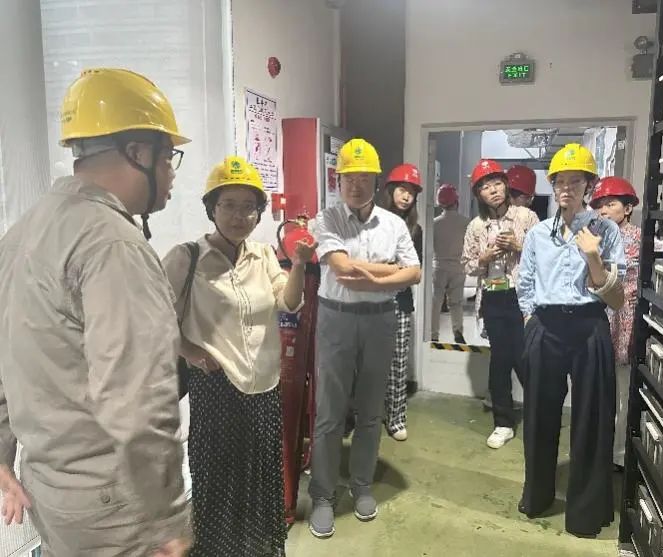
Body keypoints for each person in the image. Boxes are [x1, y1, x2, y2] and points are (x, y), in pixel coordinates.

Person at [0, 68, 191, 556]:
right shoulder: (112, 244)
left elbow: (6, 355)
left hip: (48, 490)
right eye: (167, 157)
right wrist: (167, 518)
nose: (171, 173)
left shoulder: (23, 232)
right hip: (113, 509)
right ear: (137, 152)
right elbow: (136, 398)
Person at [162, 156, 314, 556]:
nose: (239, 216)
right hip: (216, 386)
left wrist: (299, 264)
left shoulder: (262, 255)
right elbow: (153, 318)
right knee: (219, 479)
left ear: (259, 212)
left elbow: (288, 303)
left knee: (261, 477)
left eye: (248, 207)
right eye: (228, 205)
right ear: (211, 208)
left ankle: (258, 549)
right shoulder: (187, 258)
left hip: (264, 386)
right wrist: (190, 351)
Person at [308, 139, 421, 539]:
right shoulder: (325, 219)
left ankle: (361, 485)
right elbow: (341, 270)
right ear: (338, 181)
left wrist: (372, 277)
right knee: (330, 412)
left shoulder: (393, 224)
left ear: (376, 180)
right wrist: (387, 270)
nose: (355, 185)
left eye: (363, 178)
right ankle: (322, 494)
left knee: (372, 411)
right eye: (348, 178)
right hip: (336, 319)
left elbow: (415, 272)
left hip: (379, 320)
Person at [517, 144, 626, 538]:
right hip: (545, 326)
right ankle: (537, 495)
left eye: (574, 181)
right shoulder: (538, 234)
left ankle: (585, 513)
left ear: (588, 186)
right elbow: (525, 282)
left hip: (589, 325)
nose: (566, 188)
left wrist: (593, 256)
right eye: (560, 181)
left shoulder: (606, 232)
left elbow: (617, 299)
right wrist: (531, 321)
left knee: (592, 421)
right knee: (538, 416)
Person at [461, 160, 539, 449]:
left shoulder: (526, 217)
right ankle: (503, 423)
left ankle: (539, 414)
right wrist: (484, 258)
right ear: (478, 194)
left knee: (525, 357)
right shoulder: (475, 226)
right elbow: (467, 264)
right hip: (493, 296)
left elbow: (544, 255)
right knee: (500, 360)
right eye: (485, 187)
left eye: (496, 184)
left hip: (522, 295)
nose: (492, 190)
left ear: (506, 186)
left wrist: (518, 246)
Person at [589, 176, 641, 470]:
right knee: (599, 388)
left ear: (628, 208)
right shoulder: (595, 237)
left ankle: (618, 454)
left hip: (626, 319)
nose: (604, 210)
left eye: (610, 204)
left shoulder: (639, 239)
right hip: (599, 317)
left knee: (623, 390)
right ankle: (599, 448)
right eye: (600, 205)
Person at [377, 163, 423, 442]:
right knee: (370, 361)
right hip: (371, 300)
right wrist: (394, 269)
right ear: (390, 191)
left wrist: (388, 269)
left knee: (397, 363)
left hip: (401, 303)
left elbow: (414, 271)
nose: (406, 197)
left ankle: (395, 419)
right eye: (402, 190)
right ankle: (370, 413)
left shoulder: (414, 229)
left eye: (411, 192)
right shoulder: (374, 222)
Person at [431, 184, 469, 344]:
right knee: (456, 303)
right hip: (458, 268)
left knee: (435, 302)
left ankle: (433, 334)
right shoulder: (466, 223)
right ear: (456, 201)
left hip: (438, 267)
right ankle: (458, 332)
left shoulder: (434, 223)